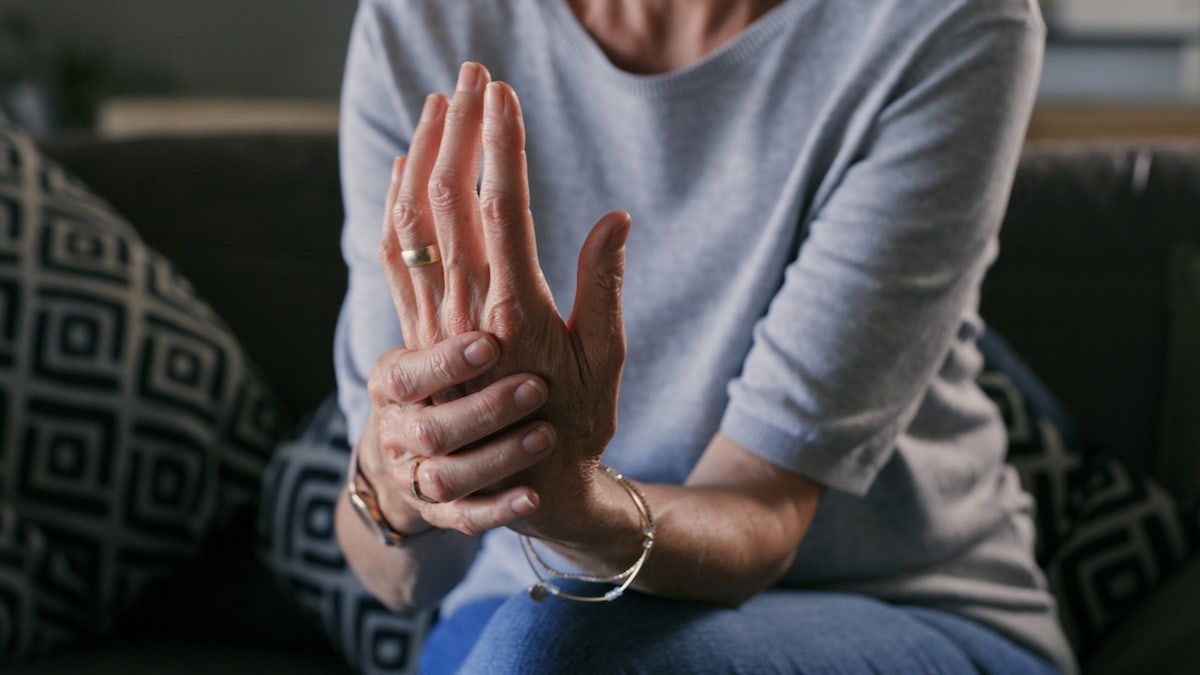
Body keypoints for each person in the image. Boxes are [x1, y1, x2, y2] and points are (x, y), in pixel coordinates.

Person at [332, 0, 1076, 672]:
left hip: (894, 603)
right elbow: (399, 576)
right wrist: (407, 472)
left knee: (554, 653)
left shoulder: (941, 22)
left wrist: (572, 500)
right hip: (513, 609)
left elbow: (763, 513)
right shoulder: (420, 21)